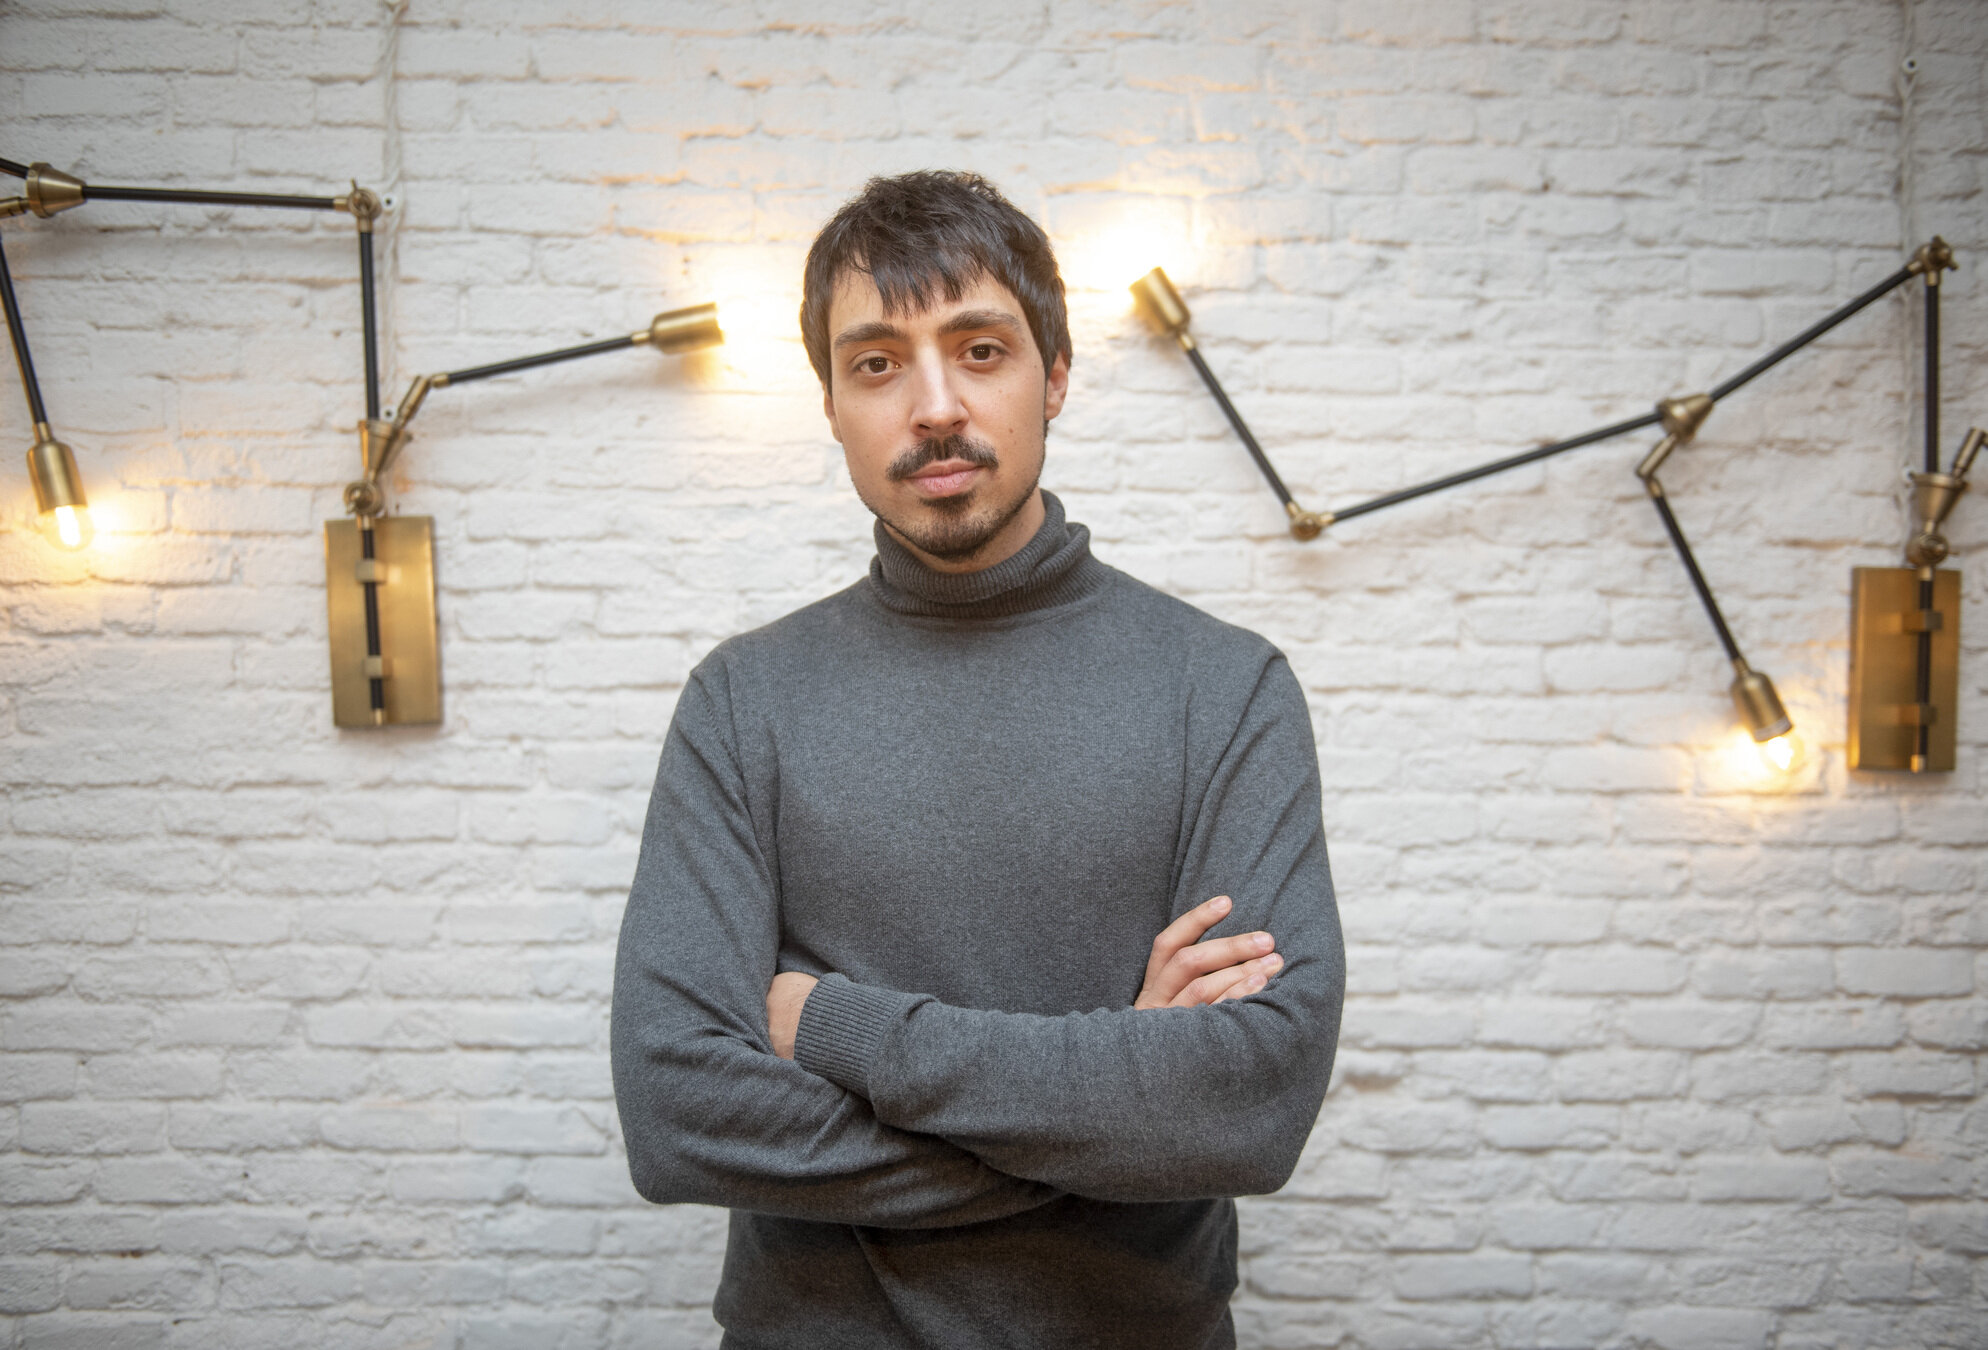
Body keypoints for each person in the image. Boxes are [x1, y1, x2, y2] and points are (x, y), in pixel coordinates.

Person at [611, 170, 1344, 1349]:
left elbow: (1245, 1109)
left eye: (981, 350)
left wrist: (836, 1026)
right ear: (830, 403)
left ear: (1054, 376)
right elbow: (675, 1114)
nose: (934, 406)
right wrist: (1110, 1119)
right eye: (876, 363)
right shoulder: (743, 701)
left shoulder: (1222, 689)